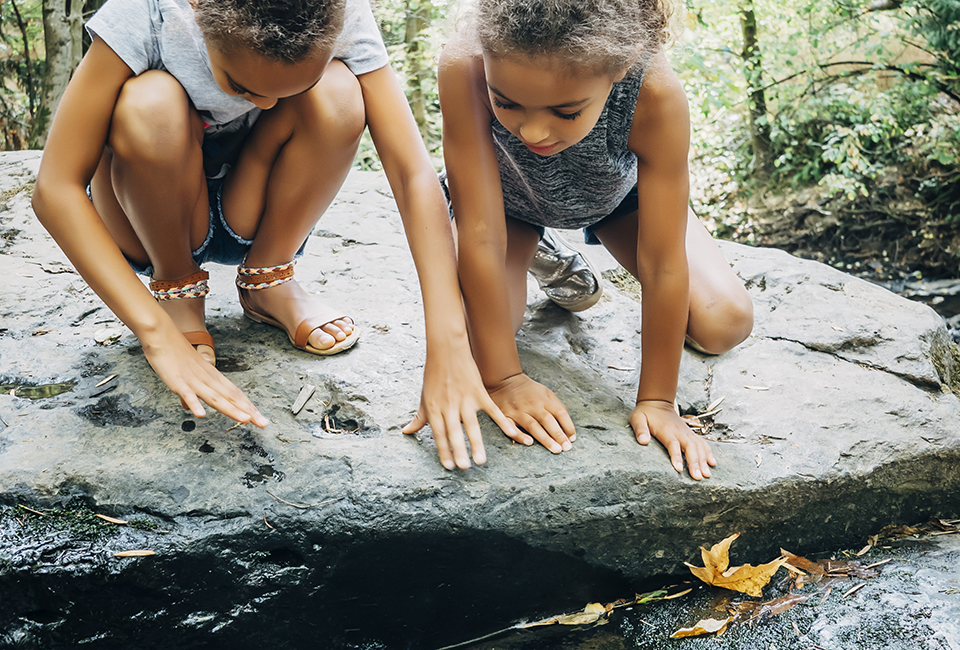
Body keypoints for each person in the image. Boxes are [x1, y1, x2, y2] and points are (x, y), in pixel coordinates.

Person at [32, 0, 519, 470]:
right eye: (241, 85)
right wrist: (154, 334)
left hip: (254, 202)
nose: (265, 103)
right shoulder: (149, 11)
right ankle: (177, 287)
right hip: (150, 211)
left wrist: (450, 343)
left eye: (284, 91)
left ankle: (269, 277)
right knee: (148, 101)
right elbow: (55, 187)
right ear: (200, 10)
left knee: (339, 92)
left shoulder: (339, 9)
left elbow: (414, 173)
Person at [434, 0, 755, 479]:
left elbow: (663, 265)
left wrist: (658, 401)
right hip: (506, 207)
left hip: (616, 203)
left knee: (724, 323)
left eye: (565, 111)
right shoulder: (465, 64)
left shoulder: (655, 94)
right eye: (507, 103)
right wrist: (504, 379)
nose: (533, 130)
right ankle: (541, 254)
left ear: (619, 68)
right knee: (474, 331)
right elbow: (481, 234)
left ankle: (560, 251)